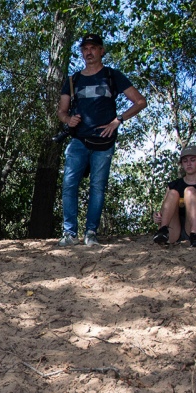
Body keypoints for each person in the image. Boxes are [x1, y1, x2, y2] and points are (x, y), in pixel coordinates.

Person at [56, 34, 148, 247]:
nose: (88, 52)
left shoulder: (112, 75)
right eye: (85, 48)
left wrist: (118, 120)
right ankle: (69, 234)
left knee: (98, 187)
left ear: (102, 51)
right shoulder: (72, 80)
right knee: (69, 184)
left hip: (104, 142)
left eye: (93, 48)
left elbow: (140, 101)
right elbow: (62, 111)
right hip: (78, 140)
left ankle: (91, 233)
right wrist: (68, 119)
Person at [153, 146, 196, 247]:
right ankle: (163, 231)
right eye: (185, 161)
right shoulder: (173, 185)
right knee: (173, 193)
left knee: (190, 191)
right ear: (181, 164)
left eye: (193, 160)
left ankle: (194, 235)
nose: (189, 164)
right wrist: (157, 217)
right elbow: (164, 210)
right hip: (175, 230)